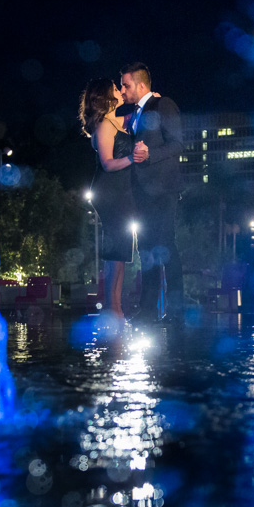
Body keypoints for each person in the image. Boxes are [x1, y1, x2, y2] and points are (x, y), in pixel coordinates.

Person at [119, 62, 184, 323]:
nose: (122, 90)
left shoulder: (163, 105)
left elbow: (178, 144)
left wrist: (150, 154)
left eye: (126, 85)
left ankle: (176, 310)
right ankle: (148, 310)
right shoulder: (134, 112)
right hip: (141, 192)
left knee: (166, 245)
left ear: (141, 85)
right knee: (146, 249)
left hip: (163, 190)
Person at [78, 78, 146, 318]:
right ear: (105, 96)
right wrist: (132, 159)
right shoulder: (105, 125)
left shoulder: (116, 120)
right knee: (116, 250)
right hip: (110, 191)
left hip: (121, 191)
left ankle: (115, 307)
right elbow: (107, 163)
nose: (120, 91)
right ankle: (113, 308)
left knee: (120, 250)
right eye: (116, 89)